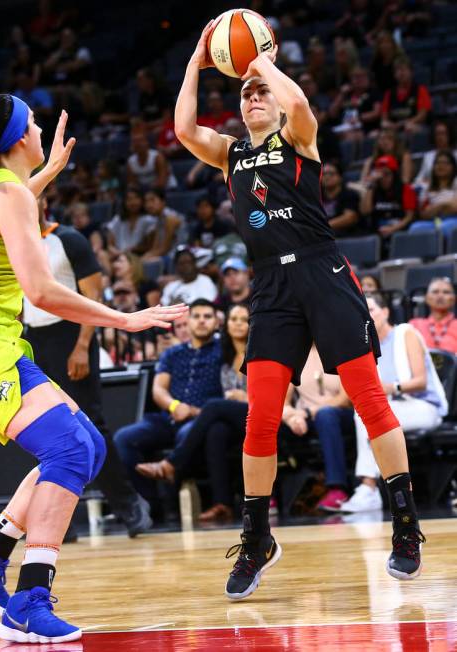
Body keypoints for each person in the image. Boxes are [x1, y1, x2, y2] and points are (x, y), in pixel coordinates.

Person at [0, 94, 186, 642]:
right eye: (33, 124)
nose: (41, 130)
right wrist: (124, 319)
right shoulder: (7, 191)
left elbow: (9, 212)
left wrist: (49, 172)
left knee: (89, 445)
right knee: (68, 449)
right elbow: (41, 290)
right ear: (18, 141)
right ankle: (29, 600)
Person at [175, 23, 425, 600]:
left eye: (261, 91)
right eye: (245, 93)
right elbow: (185, 129)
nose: (255, 97)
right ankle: (256, 535)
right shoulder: (230, 154)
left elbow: (300, 103)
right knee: (260, 416)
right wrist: (195, 61)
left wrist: (261, 63)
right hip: (271, 288)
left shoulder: (299, 138)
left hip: (323, 272)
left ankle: (406, 525)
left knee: (368, 398)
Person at [22, 196, 153, 537]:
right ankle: (57, 521)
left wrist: (82, 346)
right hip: (33, 339)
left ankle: (130, 505)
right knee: (44, 430)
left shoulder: (68, 239)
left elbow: (93, 297)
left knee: (91, 424)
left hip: (72, 335)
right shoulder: (12, 243)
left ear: (44, 201)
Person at [136, 304, 250, 522]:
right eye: (233, 319)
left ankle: (172, 466)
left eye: (243, 319)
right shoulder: (226, 354)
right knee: (216, 430)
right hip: (230, 417)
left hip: (260, 411)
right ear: (225, 324)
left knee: (213, 407)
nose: (237, 324)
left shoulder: (257, 350)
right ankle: (222, 504)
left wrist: (245, 398)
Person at [338, 294, 447, 512]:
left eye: (371, 309)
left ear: (386, 312)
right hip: (392, 407)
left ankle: (368, 488)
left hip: (423, 406)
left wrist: (393, 387)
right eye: (362, 312)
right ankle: (371, 490)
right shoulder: (364, 346)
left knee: (366, 415)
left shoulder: (405, 333)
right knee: (365, 413)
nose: (366, 316)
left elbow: (421, 381)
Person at [114, 299, 223, 514]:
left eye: (207, 317)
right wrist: (174, 405)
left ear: (217, 323)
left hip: (202, 419)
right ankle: (149, 505)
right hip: (168, 417)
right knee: (124, 439)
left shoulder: (223, 351)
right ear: (188, 321)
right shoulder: (172, 354)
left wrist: (191, 411)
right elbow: (158, 390)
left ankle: (174, 505)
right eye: (196, 316)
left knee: (186, 434)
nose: (201, 321)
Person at [279, 344, 355, 512]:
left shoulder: (340, 348)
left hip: (341, 414)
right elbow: (283, 401)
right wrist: (292, 417)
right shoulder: (294, 353)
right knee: (272, 420)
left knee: (326, 415)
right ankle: (269, 496)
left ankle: (338, 489)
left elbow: (345, 397)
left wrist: (308, 412)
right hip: (306, 417)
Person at [360, 155, 417, 239]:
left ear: (394, 174)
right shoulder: (373, 189)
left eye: (387, 174)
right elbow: (365, 211)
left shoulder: (406, 189)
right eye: (380, 174)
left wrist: (392, 229)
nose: (383, 178)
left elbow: (409, 217)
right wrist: (370, 186)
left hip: (400, 232)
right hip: (377, 233)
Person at [409, 151, 457, 237]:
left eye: (445, 163)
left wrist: (437, 207)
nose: (441, 166)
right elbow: (424, 214)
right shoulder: (426, 189)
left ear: (453, 167)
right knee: (415, 228)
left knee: (443, 228)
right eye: (437, 163)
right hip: (433, 221)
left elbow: (455, 207)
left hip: (453, 220)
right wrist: (445, 205)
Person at [381, 58, 431, 134]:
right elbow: (384, 117)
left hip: (416, 125)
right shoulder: (389, 93)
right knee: (378, 132)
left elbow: (422, 116)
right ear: (394, 74)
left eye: (404, 69)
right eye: (398, 70)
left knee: (409, 128)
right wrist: (389, 124)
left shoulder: (421, 90)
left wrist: (403, 123)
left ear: (411, 72)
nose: (401, 73)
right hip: (394, 127)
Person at [409, 278, 457, 354]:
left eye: (446, 292)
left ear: (453, 299)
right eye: (435, 292)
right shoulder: (414, 325)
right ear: (427, 298)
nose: (440, 296)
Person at [105, 188, 156, 258]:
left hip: (139, 256)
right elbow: (110, 244)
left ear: (142, 200)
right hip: (118, 255)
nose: (133, 202)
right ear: (124, 202)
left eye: (136, 198)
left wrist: (129, 251)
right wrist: (117, 252)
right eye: (129, 199)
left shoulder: (149, 220)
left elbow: (149, 245)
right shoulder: (118, 219)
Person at [142, 187, 185, 260]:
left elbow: (165, 249)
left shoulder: (170, 218)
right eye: (146, 201)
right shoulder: (158, 219)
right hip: (166, 256)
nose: (148, 205)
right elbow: (155, 247)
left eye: (152, 200)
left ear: (163, 201)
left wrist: (144, 258)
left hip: (178, 257)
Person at [320, 162, 361, 237]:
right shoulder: (318, 197)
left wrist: (322, 227)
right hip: (324, 235)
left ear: (340, 177)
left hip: (346, 237)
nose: (327, 177)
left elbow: (350, 218)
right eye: (324, 174)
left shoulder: (348, 194)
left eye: (331, 173)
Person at [414, 121, 457, 187]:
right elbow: (418, 179)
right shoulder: (428, 156)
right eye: (437, 134)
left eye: (443, 133)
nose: (440, 137)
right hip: (433, 190)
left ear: (450, 135)